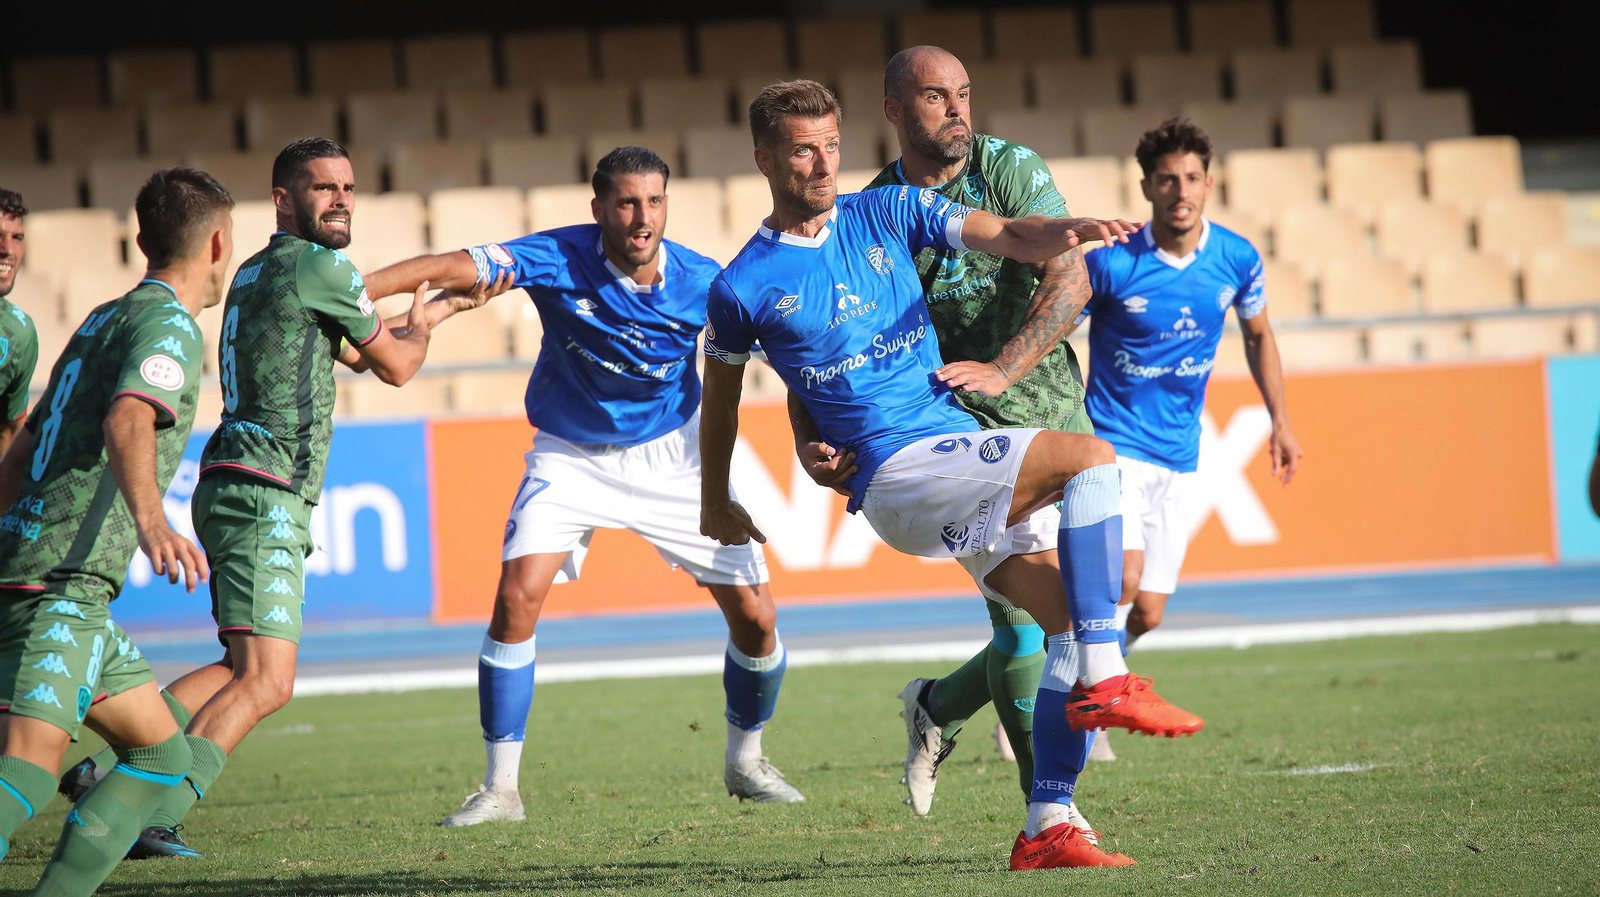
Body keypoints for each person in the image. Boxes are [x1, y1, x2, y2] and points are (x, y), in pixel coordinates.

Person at [702, 79, 1202, 870]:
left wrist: (1060, 232)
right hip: (899, 474)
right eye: (803, 148)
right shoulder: (740, 285)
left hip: (952, 450)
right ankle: (1110, 675)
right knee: (1092, 459)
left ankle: (1049, 825)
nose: (823, 162)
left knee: (1071, 620)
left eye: (832, 144)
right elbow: (727, 401)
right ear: (765, 158)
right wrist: (718, 498)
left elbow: (1003, 231)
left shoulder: (885, 210)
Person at [56, 138, 496, 858]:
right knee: (268, 680)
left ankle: (110, 771)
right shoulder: (323, 267)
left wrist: (436, 310)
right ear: (284, 200)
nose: (341, 199)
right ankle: (145, 808)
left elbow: (352, 350)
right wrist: (430, 318)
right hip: (266, 490)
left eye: (349, 188)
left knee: (238, 665)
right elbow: (396, 366)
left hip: (231, 479)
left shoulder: (259, 272)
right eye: (323, 188)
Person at [358, 146, 802, 826]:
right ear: (598, 209)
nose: (641, 217)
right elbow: (455, 266)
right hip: (570, 456)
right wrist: (358, 289)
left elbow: (789, 354)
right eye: (625, 202)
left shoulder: (704, 283)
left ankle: (746, 759)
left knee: (758, 618)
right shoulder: (559, 257)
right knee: (516, 598)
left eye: (653, 201)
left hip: (673, 458)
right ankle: (501, 789)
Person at [793, 45, 1096, 818]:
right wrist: (810, 433)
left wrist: (1002, 364)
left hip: (1058, 418)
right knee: (1027, 631)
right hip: (956, 439)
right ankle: (1050, 815)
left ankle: (937, 704)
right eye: (936, 96)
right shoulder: (868, 214)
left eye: (964, 93)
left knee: (1102, 605)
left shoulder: (1008, 169)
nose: (958, 109)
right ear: (895, 111)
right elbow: (819, 339)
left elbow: (1070, 273)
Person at [0, 168, 230, 894]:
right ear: (220, 242)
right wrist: (154, 520)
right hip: (59, 581)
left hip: (50, 573)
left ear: (140, 239)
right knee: (30, 767)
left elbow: (29, 436)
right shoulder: (168, 326)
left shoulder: (103, 315)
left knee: (162, 753)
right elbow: (129, 416)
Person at [1072, 118, 1301, 761]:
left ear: (1208, 183)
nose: (1181, 190)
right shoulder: (1113, 262)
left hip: (1179, 454)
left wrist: (1280, 421)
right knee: (1124, 575)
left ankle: (1072, 686)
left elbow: (1259, 336)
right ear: (1145, 186)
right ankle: (1091, 701)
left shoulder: (1236, 259)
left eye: (1192, 178)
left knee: (1146, 613)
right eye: (1167, 179)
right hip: (1111, 444)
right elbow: (1054, 327)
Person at [0, 188, 39, 459]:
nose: (8, 250)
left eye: (17, 238)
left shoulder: (18, 333)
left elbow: (7, 432)